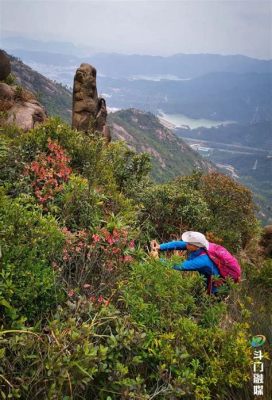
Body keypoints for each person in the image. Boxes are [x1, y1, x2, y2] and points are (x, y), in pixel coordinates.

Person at [151, 231, 224, 294]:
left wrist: (158, 259)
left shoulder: (202, 261)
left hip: (218, 283)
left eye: (188, 243)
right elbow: (177, 244)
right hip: (208, 277)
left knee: (212, 299)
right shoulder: (200, 246)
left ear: (196, 246)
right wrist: (160, 246)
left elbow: (180, 266)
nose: (186, 244)